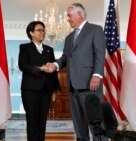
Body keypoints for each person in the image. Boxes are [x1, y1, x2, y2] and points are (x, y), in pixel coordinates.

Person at [46, 3, 107, 141]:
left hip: (90, 84)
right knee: (79, 125)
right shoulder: (69, 38)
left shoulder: (95, 30)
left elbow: (100, 54)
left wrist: (97, 75)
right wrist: (55, 64)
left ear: (80, 14)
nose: (67, 18)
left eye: (69, 15)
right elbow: (65, 58)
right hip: (73, 86)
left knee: (96, 123)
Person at [18, 21, 60, 141]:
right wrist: (40, 68)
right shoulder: (25, 48)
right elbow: (23, 65)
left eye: (43, 30)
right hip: (30, 90)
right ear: (31, 33)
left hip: (46, 90)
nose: (43, 32)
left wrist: (54, 90)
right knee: (32, 121)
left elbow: (54, 72)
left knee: (42, 121)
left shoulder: (49, 50)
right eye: (39, 30)